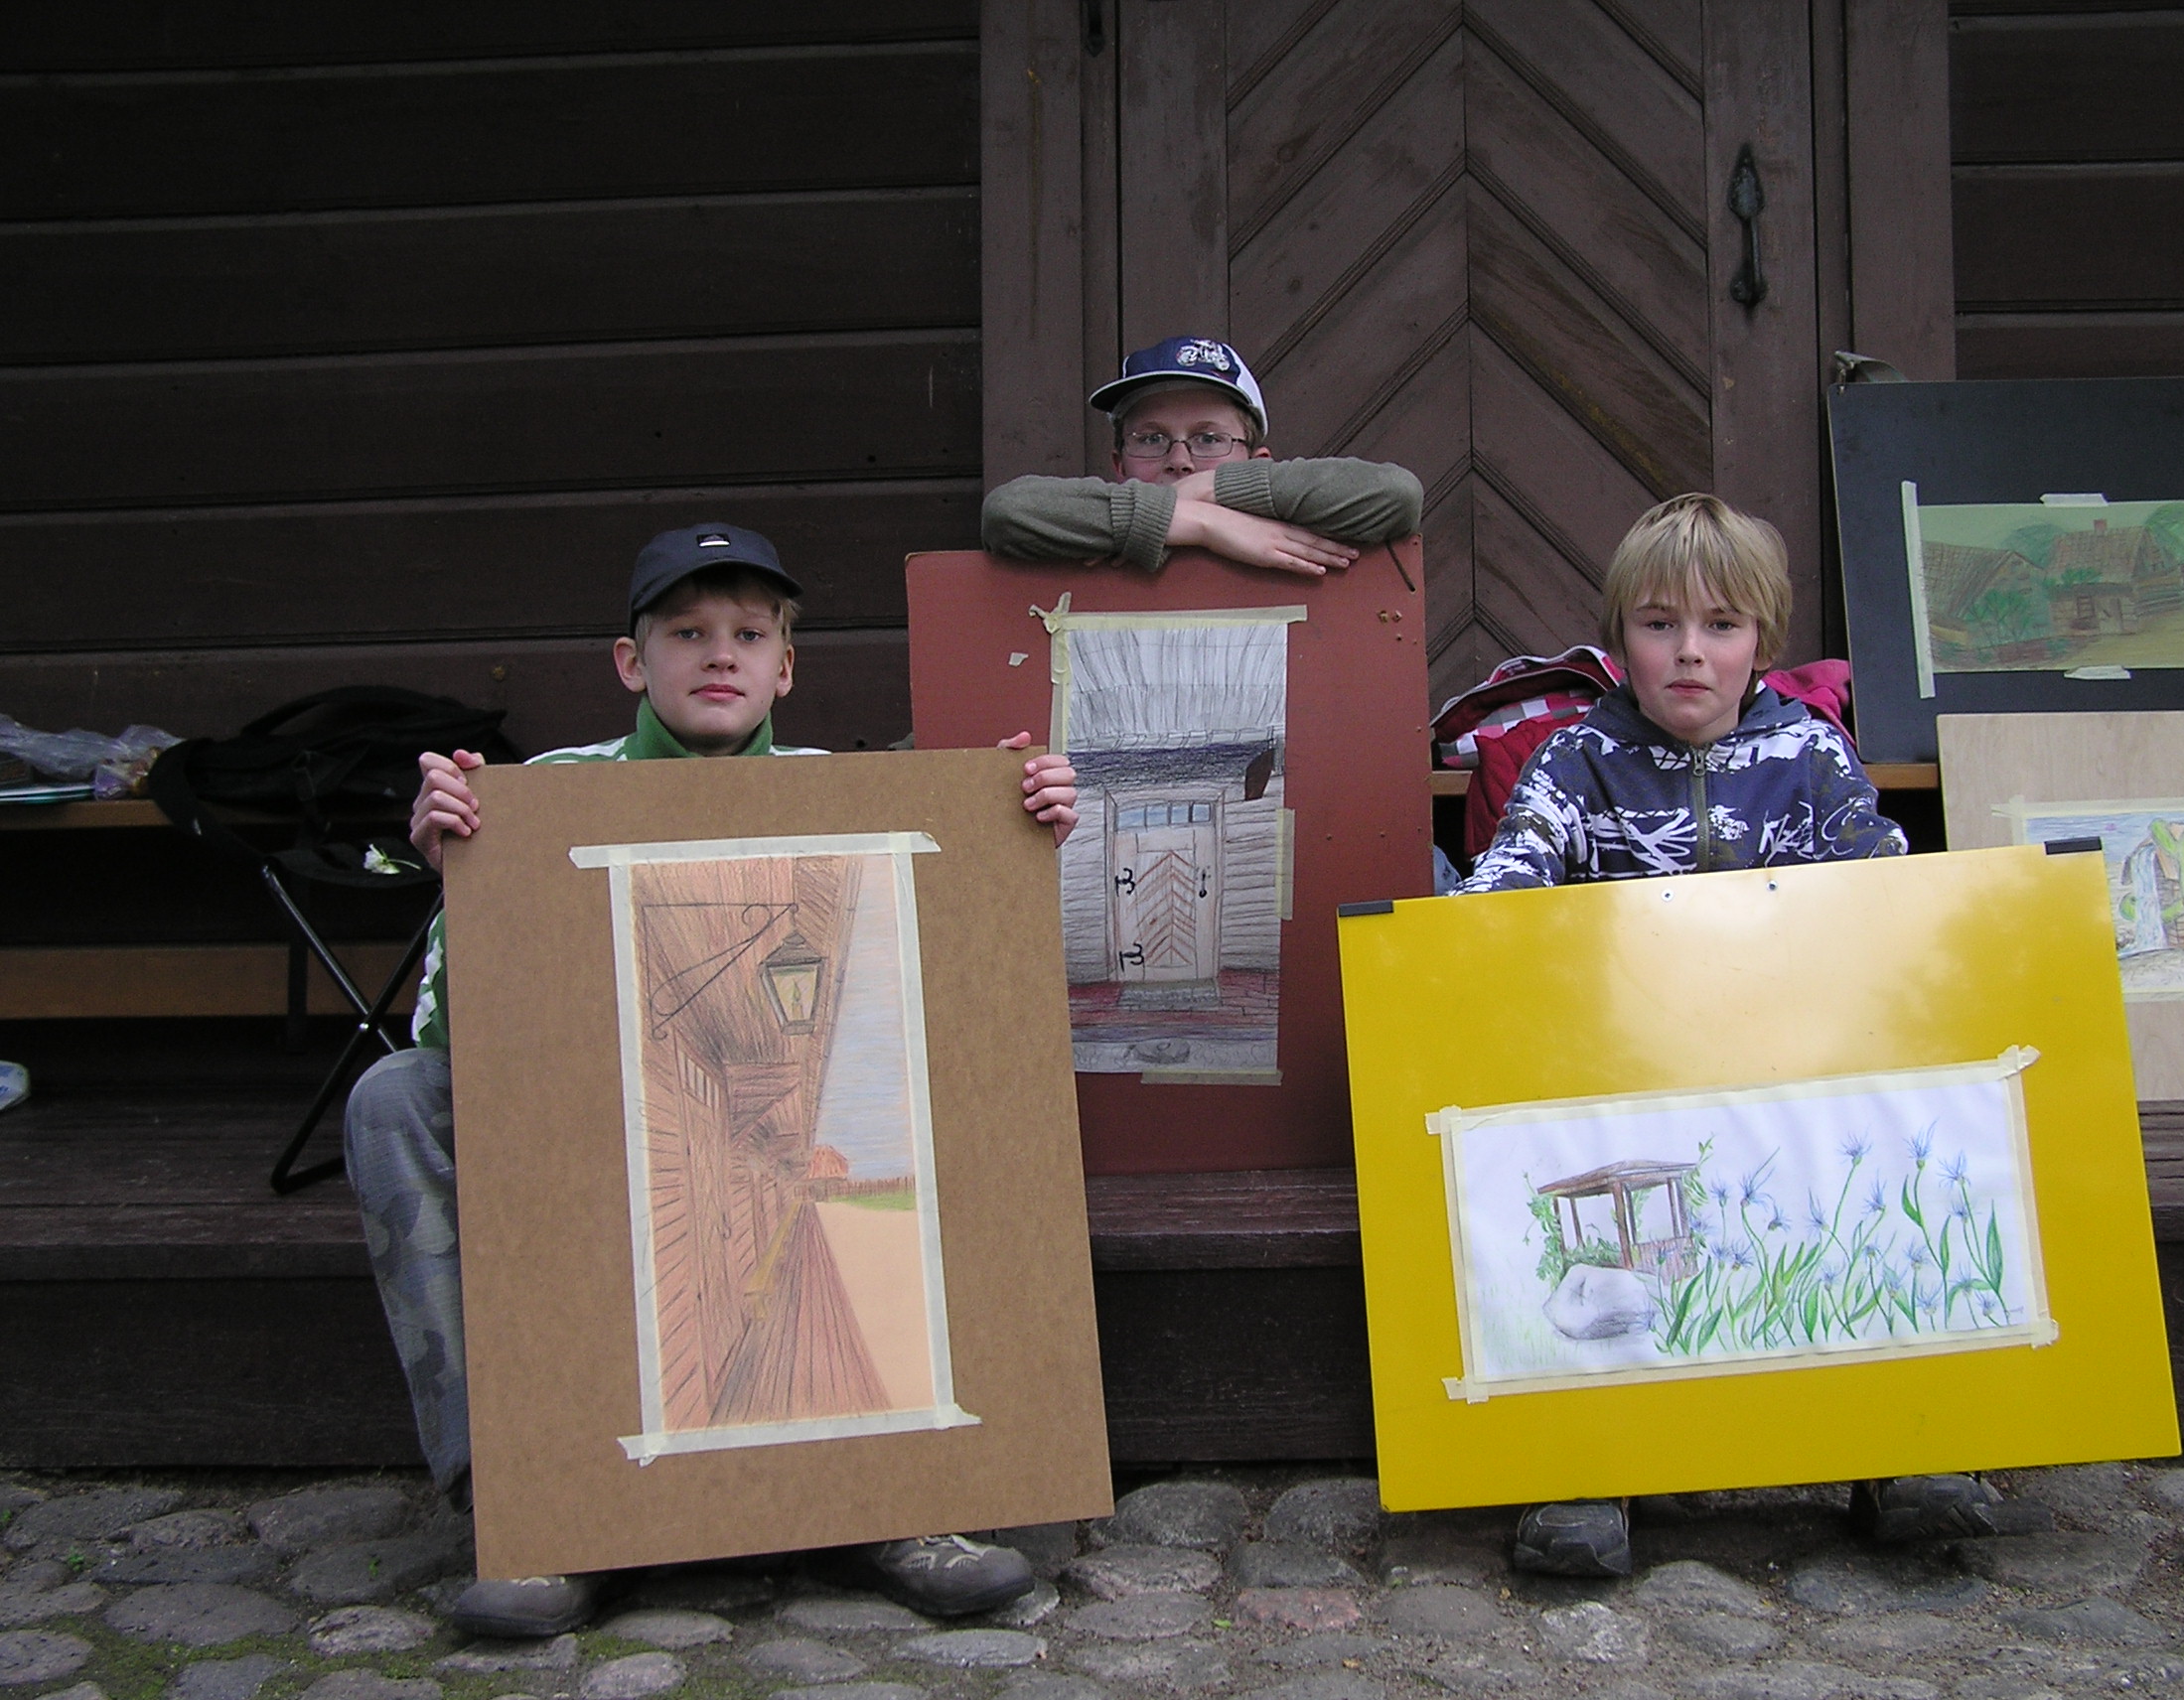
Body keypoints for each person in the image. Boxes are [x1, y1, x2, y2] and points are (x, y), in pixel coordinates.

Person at [345, 522, 1078, 1637]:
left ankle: (911, 1492)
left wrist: (1017, 831)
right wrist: (467, 879)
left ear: (785, 665)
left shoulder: (844, 795)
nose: (718, 653)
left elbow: (962, 1013)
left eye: (747, 632)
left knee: (952, 1096)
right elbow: (457, 1042)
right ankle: (530, 1503)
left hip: (790, 1117)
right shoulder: (539, 797)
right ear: (632, 662)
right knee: (394, 1094)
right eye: (686, 631)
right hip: (601, 1128)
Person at [1457, 494, 1997, 1575]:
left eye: (1719, 625)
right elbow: (1509, 873)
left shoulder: (1812, 756)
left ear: (1762, 640)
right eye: (1658, 624)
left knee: (1868, 1197)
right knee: (1593, 1251)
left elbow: (1881, 893)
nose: (1688, 652)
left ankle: (1903, 1446)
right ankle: (1581, 1464)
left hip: (1789, 1065)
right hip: (1621, 1069)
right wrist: (1482, 917)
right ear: (1619, 640)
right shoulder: (1574, 760)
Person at [979, 335, 1423, 577]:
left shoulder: (1285, 528)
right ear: (1119, 465)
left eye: (1209, 439)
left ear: (1257, 462)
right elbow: (1008, 511)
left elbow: (1395, 494)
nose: (1180, 460)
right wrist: (1206, 522)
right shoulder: (1085, 526)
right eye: (1151, 439)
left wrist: (1210, 489)